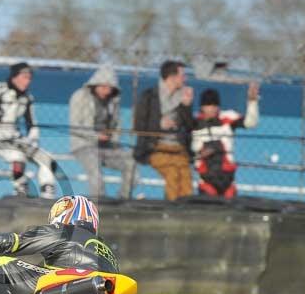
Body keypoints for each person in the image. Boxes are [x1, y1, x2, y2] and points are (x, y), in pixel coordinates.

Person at [0, 62, 57, 199]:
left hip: (17, 139)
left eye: (29, 78)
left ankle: (48, 194)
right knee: (18, 157)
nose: (27, 81)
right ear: (14, 77)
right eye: (24, 77)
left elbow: (32, 124)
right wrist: (7, 138)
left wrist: (32, 141)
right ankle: (20, 189)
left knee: (47, 158)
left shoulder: (27, 98)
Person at [69, 64, 136, 199]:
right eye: (104, 87)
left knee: (131, 163)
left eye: (110, 88)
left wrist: (113, 139)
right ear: (95, 84)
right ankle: (99, 203)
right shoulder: (79, 96)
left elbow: (116, 125)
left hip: (108, 146)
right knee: (96, 172)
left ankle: (123, 199)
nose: (107, 91)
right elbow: (75, 127)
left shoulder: (114, 101)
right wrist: (95, 136)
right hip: (84, 145)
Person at [133, 60, 195, 200]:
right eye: (182, 75)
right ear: (172, 77)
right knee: (172, 173)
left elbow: (190, 126)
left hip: (178, 147)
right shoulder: (149, 96)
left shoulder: (183, 96)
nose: (185, 79)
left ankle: (187, 213)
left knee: (186, 176)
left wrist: (186, 106)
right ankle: (172, 210)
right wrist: (159, 125)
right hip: (155, 147)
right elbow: (139, 125)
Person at [190, 84, 260, 198]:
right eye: (208, 105)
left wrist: (252, 102)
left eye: (215, 105)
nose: (212, 109)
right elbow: (189, 153)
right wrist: (199, 155)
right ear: (202, 107)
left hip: (228, 180)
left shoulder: (228, 118)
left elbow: (251, 123)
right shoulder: (194, 124)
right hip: (206, 181)